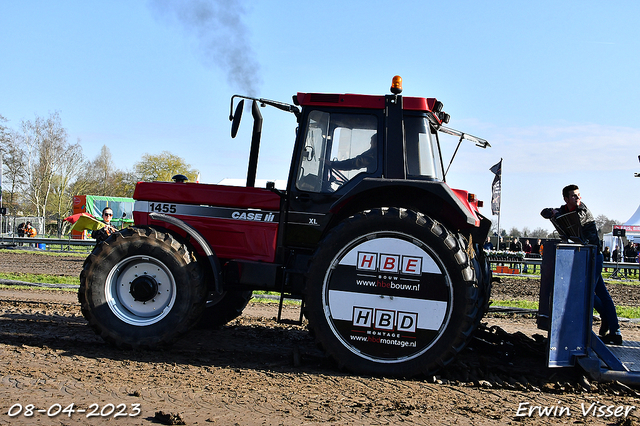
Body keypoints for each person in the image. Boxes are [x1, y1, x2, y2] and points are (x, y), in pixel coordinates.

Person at [540, 184, 622, 344]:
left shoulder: (582, 210)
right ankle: (615, 330)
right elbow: (544, 213)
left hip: (593, 256)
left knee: (588, 293)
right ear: (566, 198)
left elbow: (576, 219)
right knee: (601, 293)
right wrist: (551, 212)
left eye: (578, 195)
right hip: (584, 257)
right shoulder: (565, 210)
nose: (578, 198)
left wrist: (558, 213)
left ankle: (609, 322)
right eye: (574, 196)